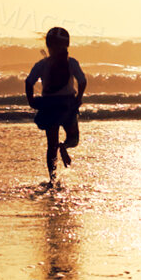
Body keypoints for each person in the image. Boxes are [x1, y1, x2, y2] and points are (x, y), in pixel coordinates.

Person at [24, 26, 86, 178]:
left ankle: (52, 178)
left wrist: (31, 100)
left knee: (51, 145)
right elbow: (82, 81)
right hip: (67, 105)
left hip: (49, 106)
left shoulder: (42, 64)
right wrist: (79, 98)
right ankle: (64, 146)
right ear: (66, 45)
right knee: (73, 139)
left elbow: (29, 82)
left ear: (48, 45)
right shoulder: (72, 63)